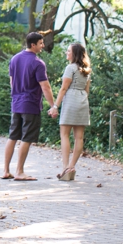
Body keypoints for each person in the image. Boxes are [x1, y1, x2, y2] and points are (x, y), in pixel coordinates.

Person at [2, 31, 57, 181]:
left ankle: (6, 170)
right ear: (33, 45)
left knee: (12, 136)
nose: (43, 46)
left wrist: (16, 96)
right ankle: (19, 171)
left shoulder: (14, 59)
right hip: (30, 104)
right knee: (26, 138)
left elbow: (12, 82)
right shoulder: (37, 63)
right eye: (40, 43)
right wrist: (53, 105)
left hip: (16, 103)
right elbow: (45, 86)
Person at [52, 42, 92, 181]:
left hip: (70, 100)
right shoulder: (86, 69)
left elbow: (63, 88)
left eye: (68, 51)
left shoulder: (70, 68)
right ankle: (72, 166)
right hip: (82, 101)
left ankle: (65, 168)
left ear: (74, 53)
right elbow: (87, 90)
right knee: (79, 137)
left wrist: (55, 106)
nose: (66, 53)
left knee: (64, 135)